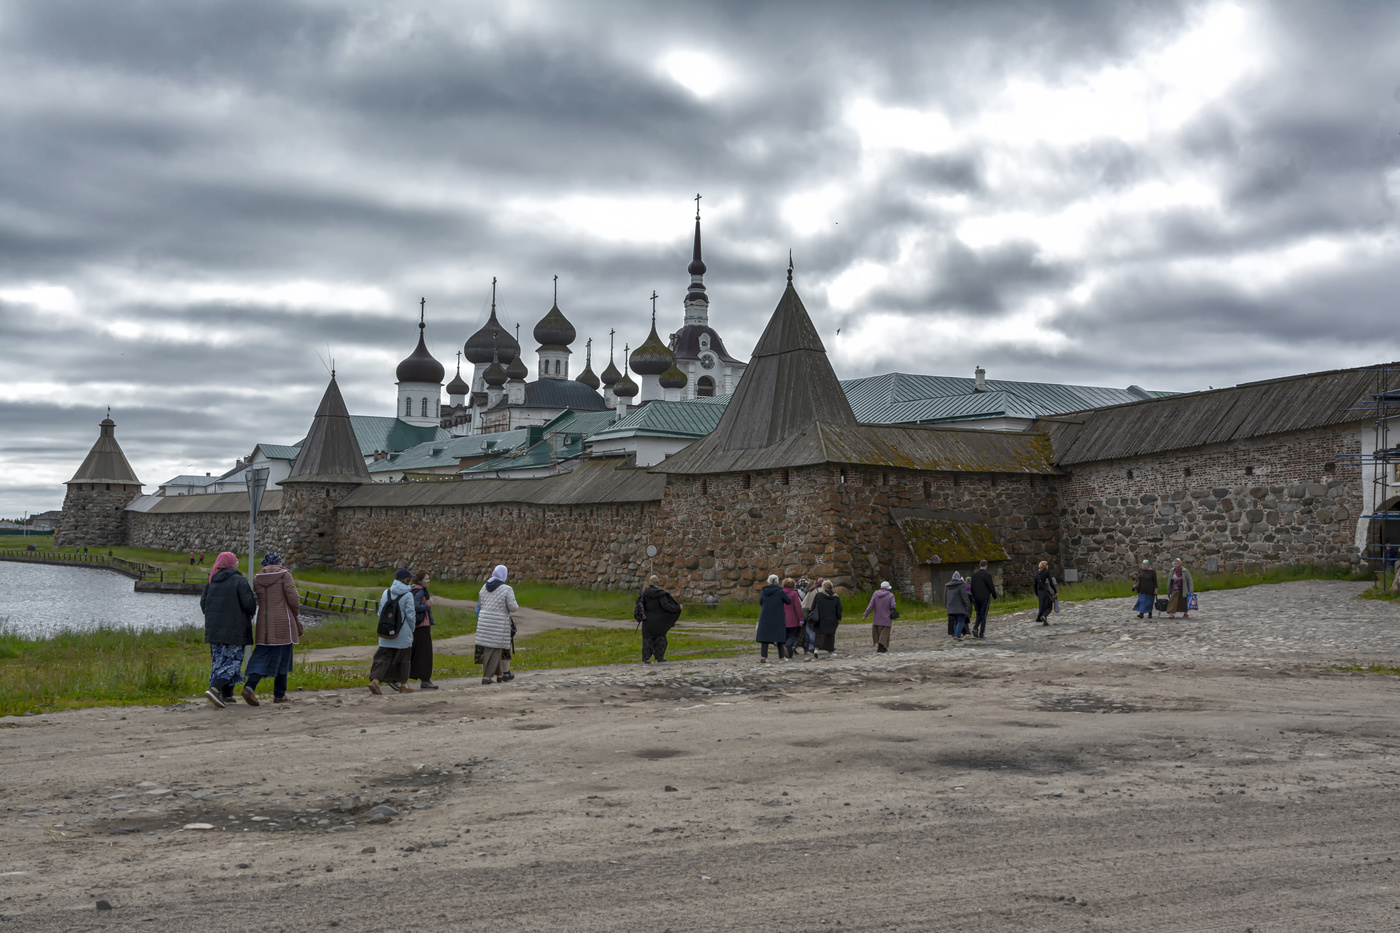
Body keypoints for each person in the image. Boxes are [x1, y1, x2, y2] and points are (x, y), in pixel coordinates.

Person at [243, 552, 302, 705]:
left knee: (262, 653)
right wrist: (296, 612)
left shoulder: (257, 579)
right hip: (283, 619)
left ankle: (249, 687)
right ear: (279, 563)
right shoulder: (285, 576)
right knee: (284, 654)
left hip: (264, 621)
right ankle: (279, 693)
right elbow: (293, 597)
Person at [200, 551, 255, 708]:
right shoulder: (239, 581)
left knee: (219, 661)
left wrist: (213, 618)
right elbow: (249, 604)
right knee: (233, 662)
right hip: (235, 630)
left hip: (214, 630)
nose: (238, 563)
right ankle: (215, 689)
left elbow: (203, 604)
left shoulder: (211, 581)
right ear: (232, 564)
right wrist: (250, 613)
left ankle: (227, 694)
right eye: (236, 561)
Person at [369, 569, 417, 695]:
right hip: (403, 633)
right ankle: (403, 685)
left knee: (383, 658)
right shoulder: (408, 595)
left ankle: (375, 681)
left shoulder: (387, 592)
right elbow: (410, 616)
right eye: (410, 578)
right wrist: (412, 630)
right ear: (406, 580)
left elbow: (380, 613)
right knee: (403, 659)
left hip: (386, 632)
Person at [476, 564, 519, 684]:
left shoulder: (484, 587)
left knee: (490, 647)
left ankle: (500, 675)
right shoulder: (507, 589)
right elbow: (513, 607)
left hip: (484, 621)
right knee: (494, 650)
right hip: (498, 623)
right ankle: (487, 677)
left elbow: (481, 603)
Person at [640, 574, 682, 663]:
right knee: (660, 638)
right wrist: (677, 608)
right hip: (659, 620)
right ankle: (659, 657)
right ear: (657, 583)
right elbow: (666, 606)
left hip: (647, 620)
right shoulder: (660, 594)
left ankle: (646, 658)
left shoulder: (644, 593)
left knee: (647, 639)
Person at [409, 571, 437, 689]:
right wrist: (427, 605)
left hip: (417, 626)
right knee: (425, 654)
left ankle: (417, 677)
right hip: (422, 626)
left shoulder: (413, 590)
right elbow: (415, 607)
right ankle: (425, 680)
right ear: (420, 581)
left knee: (415, 653)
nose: (428, 581)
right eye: (426, 579)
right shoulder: (420, 591)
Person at [755, 574, 792, 663]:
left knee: (765, 637)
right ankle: (781, 657)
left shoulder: (764, 591)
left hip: (766, 616)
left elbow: (761, 602)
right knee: (779, 636)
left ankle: (763, 656)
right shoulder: (780, 591)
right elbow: (788, 601)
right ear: (777, 582)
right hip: (777, 616)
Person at [810, 580, 843, 659]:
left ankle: (816, 650)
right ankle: (830, 651)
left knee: (819, 634)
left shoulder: (819, 595)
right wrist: (839, 618)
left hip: (820, 618)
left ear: (823, 587)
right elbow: (839, 609)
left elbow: (813, 607)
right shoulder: (836, 597)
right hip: (832, 619)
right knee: (830, 635)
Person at [862, 581, 897, 653]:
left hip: (877, 618)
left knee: (878, 633)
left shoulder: (875, 594)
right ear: (888, 588)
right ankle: (881, 647)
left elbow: (870, 605)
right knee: (885, 634)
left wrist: (865, 615)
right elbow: (893, 606)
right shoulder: (891, 595)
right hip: (887, 618)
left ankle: (883, 648)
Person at [969, 560, 997, 639]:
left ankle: (975, 628)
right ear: (986, 566)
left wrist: (973, 598)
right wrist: (994, 596)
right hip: (984, 598)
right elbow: (991, 586)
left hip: (976, 598)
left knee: (978, 614)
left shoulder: (974, 575)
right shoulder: (987, 575)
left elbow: (972, 587)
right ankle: (981, 633)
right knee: (983, 615)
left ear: (979, 565)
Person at [781, 577, 804, 659]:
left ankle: (788, 654)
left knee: (785, 636)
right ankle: (786, 647)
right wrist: (801, 619)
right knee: (794, 636)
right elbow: (798, 607)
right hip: (792, 619)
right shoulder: (794, 594)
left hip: (782, 619)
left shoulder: (780, 593)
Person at [945, 571, 973, 639]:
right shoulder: (961, 585)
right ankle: (957, 635)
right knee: (961, 621)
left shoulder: (947, 586)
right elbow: (964, 596)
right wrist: (967, 605)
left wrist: (947, 605)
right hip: (960, 607)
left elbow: (945, 597)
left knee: (956, 621)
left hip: (951, 607)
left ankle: (955, 635)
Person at [801, 577, 822, 655]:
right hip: (822, 614)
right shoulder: (825, 591)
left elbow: (805, 605)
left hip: (812, 614)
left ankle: (810, 647)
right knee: (819, 632)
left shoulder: (811, 590)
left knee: (810, 632)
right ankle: (819, 647)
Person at [1034, 561, 1057, 626]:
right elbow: (1051, 583)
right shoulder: (1047, 572)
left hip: (1040, 592)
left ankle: (1045, 622)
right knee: (1049, 606)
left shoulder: (1037, 574)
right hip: (1046, 592)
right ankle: (1043, 616)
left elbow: (1035, 585)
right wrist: (1055, 591)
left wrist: (1036, 594)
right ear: (1045, 566)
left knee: (1042, 607)